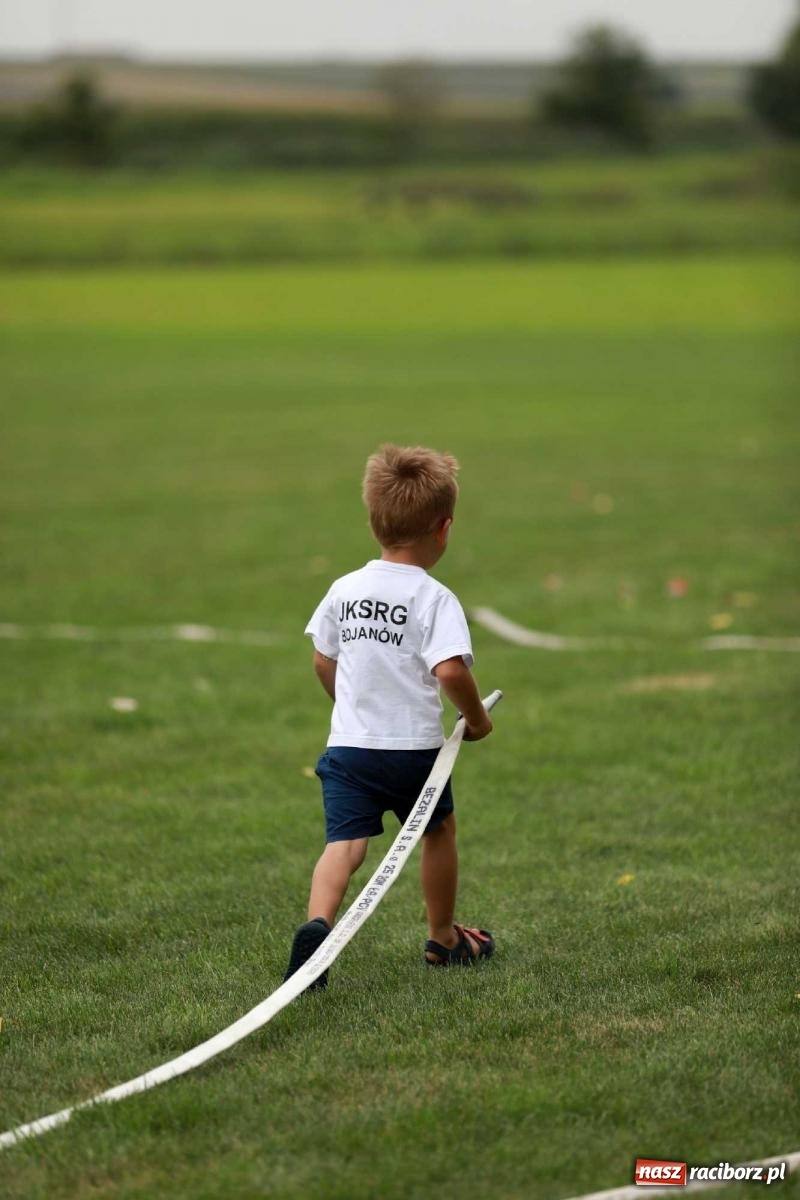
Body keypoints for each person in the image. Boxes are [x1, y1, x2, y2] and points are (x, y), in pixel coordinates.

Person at [284, 443, 495, 991]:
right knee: (437, 830)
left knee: (344, 844)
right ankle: (443, 938)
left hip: (350, 748)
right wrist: (476, 719)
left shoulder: (345, 590)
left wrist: (348, 706)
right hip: (414, 753)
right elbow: (449, 671)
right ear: (443, 529)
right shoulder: (434, 598)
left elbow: (322, 659)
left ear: (374, 521)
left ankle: (318, 928)